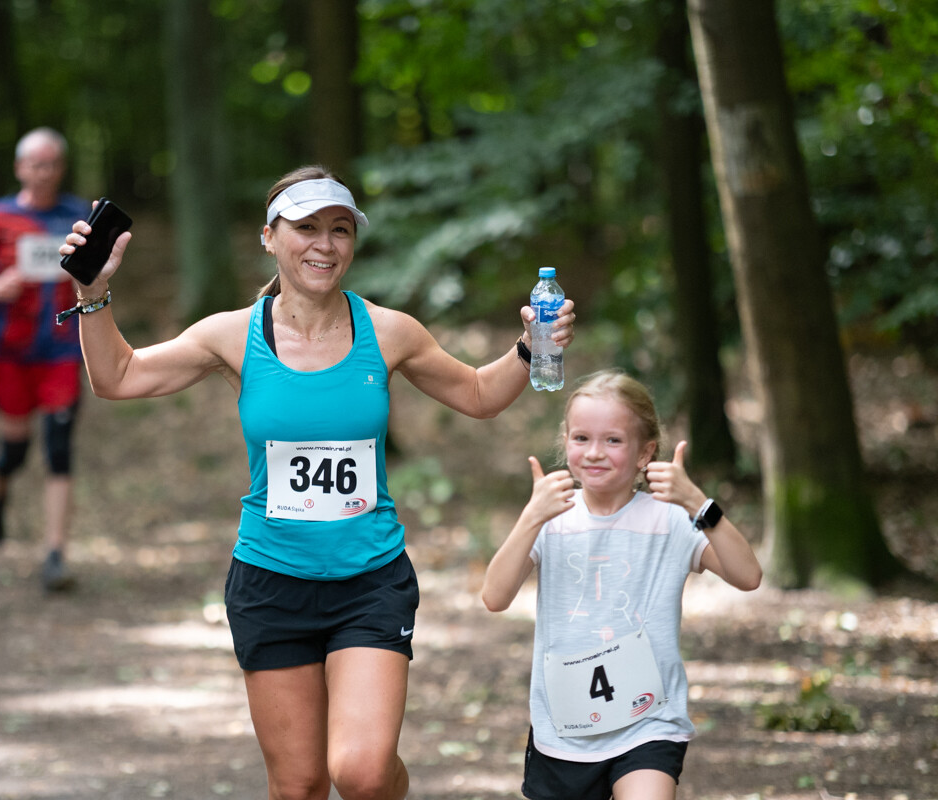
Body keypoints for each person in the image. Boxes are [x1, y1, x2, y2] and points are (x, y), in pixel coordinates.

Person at [59, 165, 576, 800]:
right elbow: (118, 377)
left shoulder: (388, 331)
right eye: (306, 228)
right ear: (270, 238)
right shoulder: (232, 334)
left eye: (340, 230)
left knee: (360, 772)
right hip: (271, 583)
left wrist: (530, 348)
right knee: (300, 785)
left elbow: (476, 393)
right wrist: (93, 292)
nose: (324, 245)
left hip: (370, 582)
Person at [480, 369, 762, 800]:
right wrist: (530, 517)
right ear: (566, 441)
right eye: (581, 439)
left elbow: (748, 576)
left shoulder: (669, 519)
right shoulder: (552, 518)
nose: (594, 453)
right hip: (564, 727)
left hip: (648, 721)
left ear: (645, 452)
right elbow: (495, 597)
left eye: (613, 440)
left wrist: (698, 503)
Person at [0, 127, 89, 593]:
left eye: (52, 163)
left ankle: (55, 553)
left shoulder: (78, 215)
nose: (44, 172)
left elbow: (98, 268)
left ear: (61, 168)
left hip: (62, 350)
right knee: (14, 449)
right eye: (35, 164)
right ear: (20, 168)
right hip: (9, 353)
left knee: (58, 447)